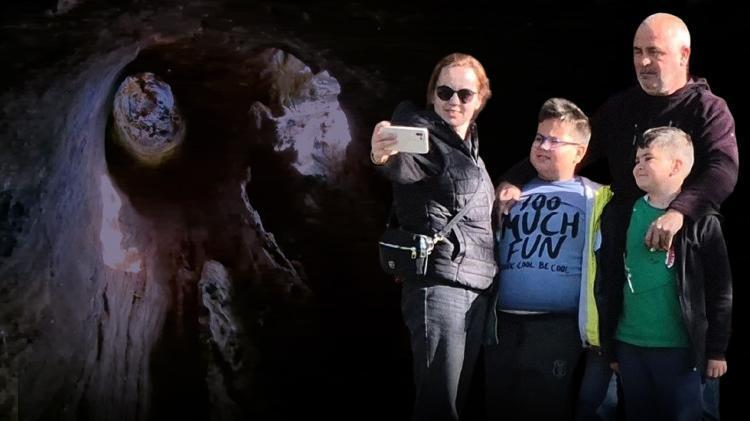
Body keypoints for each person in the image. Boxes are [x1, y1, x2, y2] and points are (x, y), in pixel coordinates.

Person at [496, 12, 739, 419]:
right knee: (602, 402)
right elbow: (575, 148)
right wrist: (514, 178)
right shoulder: (623, 106)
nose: (644, 62)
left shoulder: (708, 109)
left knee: (688, 407)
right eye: (638, 52)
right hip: (621, 272)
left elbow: (723, 168)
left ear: (684, 55)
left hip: (680, 269)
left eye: (655, 52)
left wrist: (678, 212)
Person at [370, 53, 497, 421]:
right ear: (432, 95)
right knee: (438, 407)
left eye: (464, 94)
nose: (454, 101)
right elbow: (401, 164)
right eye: (444, 92)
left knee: (452, 403)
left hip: (475, 289)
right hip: (441, 289)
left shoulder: (471, 150)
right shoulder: (422, 136)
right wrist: (382, 155)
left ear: (480, 99)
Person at [483, 98, 611, 420]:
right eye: (539, 138)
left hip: (557, 328)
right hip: (500, 325)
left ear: (580, 152)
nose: (543, 146)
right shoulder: (508, 191)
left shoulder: (597, 197)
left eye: (555, 141)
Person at [603, 126, 732, 421]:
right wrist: (611, 347)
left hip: (681, 350)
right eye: (636, 160)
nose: (638, 166)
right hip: (630, 345)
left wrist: (716, 350)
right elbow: (609, 280)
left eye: (648, 158)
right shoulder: (620, 214)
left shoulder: (703, 221)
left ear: (676, 166)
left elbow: (720, 290)